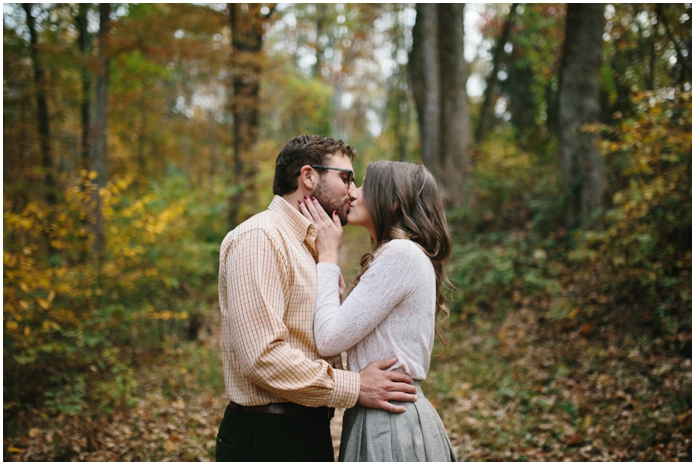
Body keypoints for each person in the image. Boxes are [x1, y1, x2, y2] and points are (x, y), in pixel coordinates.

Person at [215, 136, 418, 462]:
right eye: (346, 177)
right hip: (266, 437)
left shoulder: (311, 246)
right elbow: (261, 357)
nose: (353, 191)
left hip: (305, 429)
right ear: (309, 177)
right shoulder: (260, 238)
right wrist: (355, 386)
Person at [299, 160, 458, 462]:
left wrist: (329, 258)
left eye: (364, 187)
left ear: (394, 203)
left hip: (390, 424)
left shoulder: (400, 254)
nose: (353, 193)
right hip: (387, 416)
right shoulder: (402, 254)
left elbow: (329, 338)